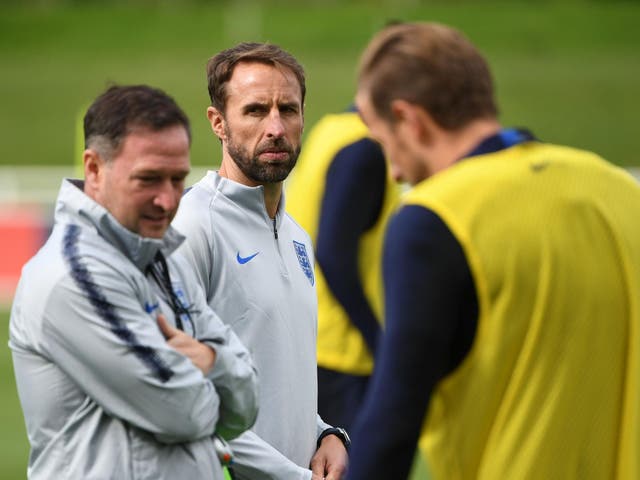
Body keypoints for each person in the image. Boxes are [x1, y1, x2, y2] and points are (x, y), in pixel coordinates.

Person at [347, 22, 640, 480]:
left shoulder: (434, 219)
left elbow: (392, 425)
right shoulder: (620, 190)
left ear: (409, 119)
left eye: (385, 143)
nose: (394, 173)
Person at [9, 84, 259, 480]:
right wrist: (221, 377)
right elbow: (184, 413)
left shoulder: (164, 255)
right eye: (149, 179)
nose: (167, 199)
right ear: (93, 168)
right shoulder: (71, 275)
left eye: (178, 179)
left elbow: (246, 407)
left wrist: (210, 361)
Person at [172, 42, 349, 480]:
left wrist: (327, 434)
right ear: (218, 122)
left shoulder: (297, 237)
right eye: (254, 110)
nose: (275, 126)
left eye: (288, 109)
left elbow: (279, 375)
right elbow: (184, 400)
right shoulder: (191, 228)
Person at [286, 106, 399, 431]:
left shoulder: (332, 128)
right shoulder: (364, 151)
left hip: (310, 342)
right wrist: (379, 342)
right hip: (343, 354)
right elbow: (334, 255)